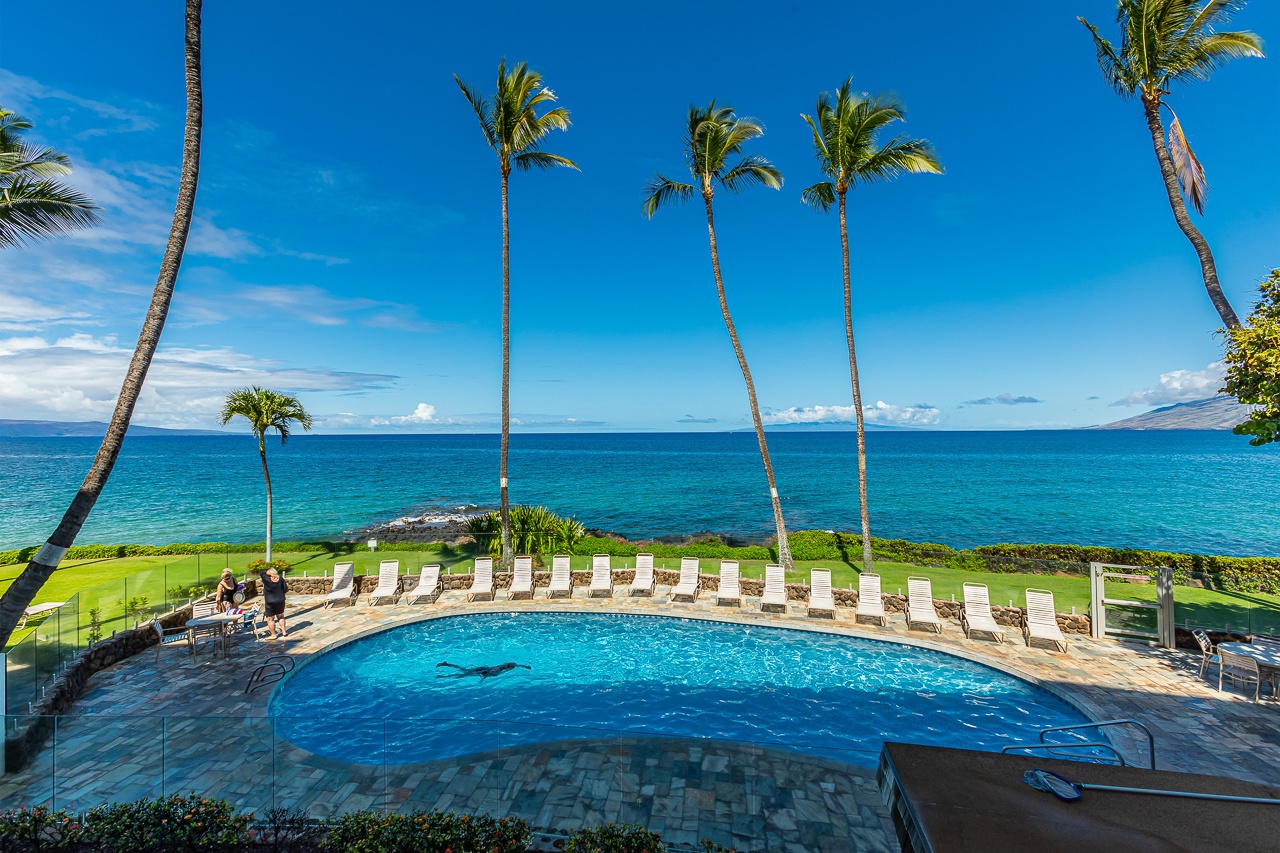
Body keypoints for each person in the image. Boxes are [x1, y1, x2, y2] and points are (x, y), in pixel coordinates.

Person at [258, 567, 289, 638]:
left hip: (270, 602)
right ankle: (284, 631)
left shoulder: (267, 579)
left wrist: (269, 574)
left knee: (270, 619)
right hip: (280, 600)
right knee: (281, 616)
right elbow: (285, 589)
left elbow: (262, 572)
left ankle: (273, 635)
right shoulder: (280, 578)